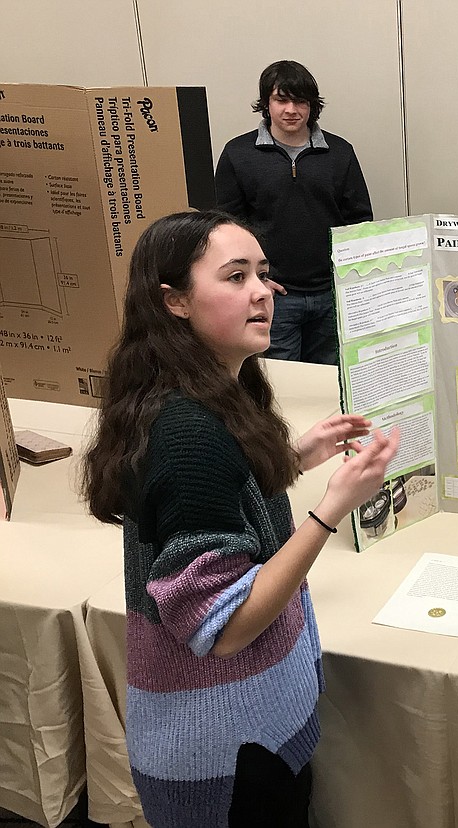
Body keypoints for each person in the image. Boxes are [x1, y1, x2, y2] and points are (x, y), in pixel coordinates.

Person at [81, 211, 398, 827]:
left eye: (263, 274)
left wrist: (292, 458)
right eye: (234, 276)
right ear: (173, 301)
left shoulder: (214, 392)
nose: (262, 293)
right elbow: (223, 626)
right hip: (222, 756)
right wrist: (332, 508)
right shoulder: (187, 432)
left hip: (247, 730)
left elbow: (227, 503)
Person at [215, 60, 373, 364]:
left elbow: (360, 220)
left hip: (332, 294)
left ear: (313, 106)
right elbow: (226, 229)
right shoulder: (238, 154)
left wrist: (350, 278)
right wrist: (256, 281)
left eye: (301, 101)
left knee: (329, 381)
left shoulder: (340, 153)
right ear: (266, 104)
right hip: (272, 296)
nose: (291, 109)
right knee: (282, 383)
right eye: (281, 100)